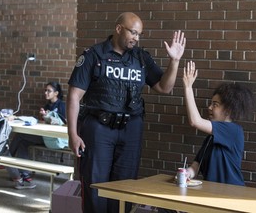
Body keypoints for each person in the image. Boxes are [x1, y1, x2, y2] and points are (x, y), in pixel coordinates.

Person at [66, 12, 186, 213]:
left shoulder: (141, 58)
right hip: (98, 129)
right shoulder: (93, 55)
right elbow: (73, 97)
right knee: (95, 189)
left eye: (139, 34)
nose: (136, 38)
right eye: (133, 32)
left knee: (125, 188)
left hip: (131, 129)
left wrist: (174, 61)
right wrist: (73, 134)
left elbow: (164, 87)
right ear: (119, 28)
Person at [158, 61, 255, 213]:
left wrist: (188, 86)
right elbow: (195, 166)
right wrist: (186, 175)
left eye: (215, 104)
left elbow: (195, 121)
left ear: (228, 109)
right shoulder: (211, 137)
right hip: (210, 195)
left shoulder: (234, 131)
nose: (209, 107)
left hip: (231, 198)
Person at [7, 81, 66, 189]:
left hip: (54, 138)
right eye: (45, 90)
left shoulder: (62, 105)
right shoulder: (47, 105)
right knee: (23, 143)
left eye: (49, 91)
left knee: (20, 136)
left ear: (56, 93)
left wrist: (49, 117)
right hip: (44, 135)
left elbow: (64, 123)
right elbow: (43, 123)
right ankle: (25, 176)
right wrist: (43, 117)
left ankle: (6, 158)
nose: (46, 93)